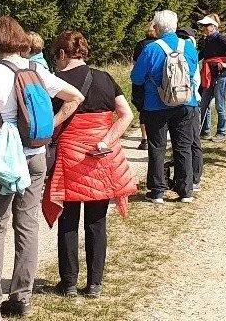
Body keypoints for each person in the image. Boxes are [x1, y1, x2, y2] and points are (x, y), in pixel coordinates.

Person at [0, 17, 84, 321]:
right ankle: (22, 298)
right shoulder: (36, 69)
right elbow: (75, 97)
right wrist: (50, 127)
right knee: (27, 225)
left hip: (3, 156)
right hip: (36, 155)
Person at [44, 31, 137, 299]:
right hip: (100, 156)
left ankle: (69, 283)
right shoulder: (105, 78)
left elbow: (47, 119)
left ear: (62, 54)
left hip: (69, 157)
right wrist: (107, 140)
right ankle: (95, 283)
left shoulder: (56, 82)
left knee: (68, 221)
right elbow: (126, 115)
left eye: (56, 56)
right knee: (97, 221)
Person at [130, 10, 199, 203]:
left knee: (157, 147)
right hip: (185, 102)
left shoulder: (150, 49)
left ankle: (157, 191)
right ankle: (185, 191)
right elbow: (192, 71)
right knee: (183, 146)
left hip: (156, 104)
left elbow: (136, 77)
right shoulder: (188, 46)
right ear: (175, 26)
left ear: (157, 28)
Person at [196, 13, 226, 142]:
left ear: (213, 27)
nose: (203, 28)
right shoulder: (208, 40)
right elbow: (203, 55)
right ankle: (205, 131)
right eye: (203, 26)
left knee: (220, 104)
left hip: (222, 75)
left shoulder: (221, 38)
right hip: (209, 74)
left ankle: (222, 132)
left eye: (206, 26)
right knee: (204, 103)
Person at [177, 26, 204, 193]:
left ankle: (190, 179)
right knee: (193, 141)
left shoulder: (177, 51)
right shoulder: (192, 51)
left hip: (176, 100)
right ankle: (194, 178)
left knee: (185, 144)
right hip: (192, 101)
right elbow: (196, 81)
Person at [131, 22, 156, 151]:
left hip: (143, 81)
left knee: (143, 110)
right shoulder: (161, 44)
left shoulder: (141, 44)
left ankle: (144, 139)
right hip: (157, 81)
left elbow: (135, 64)